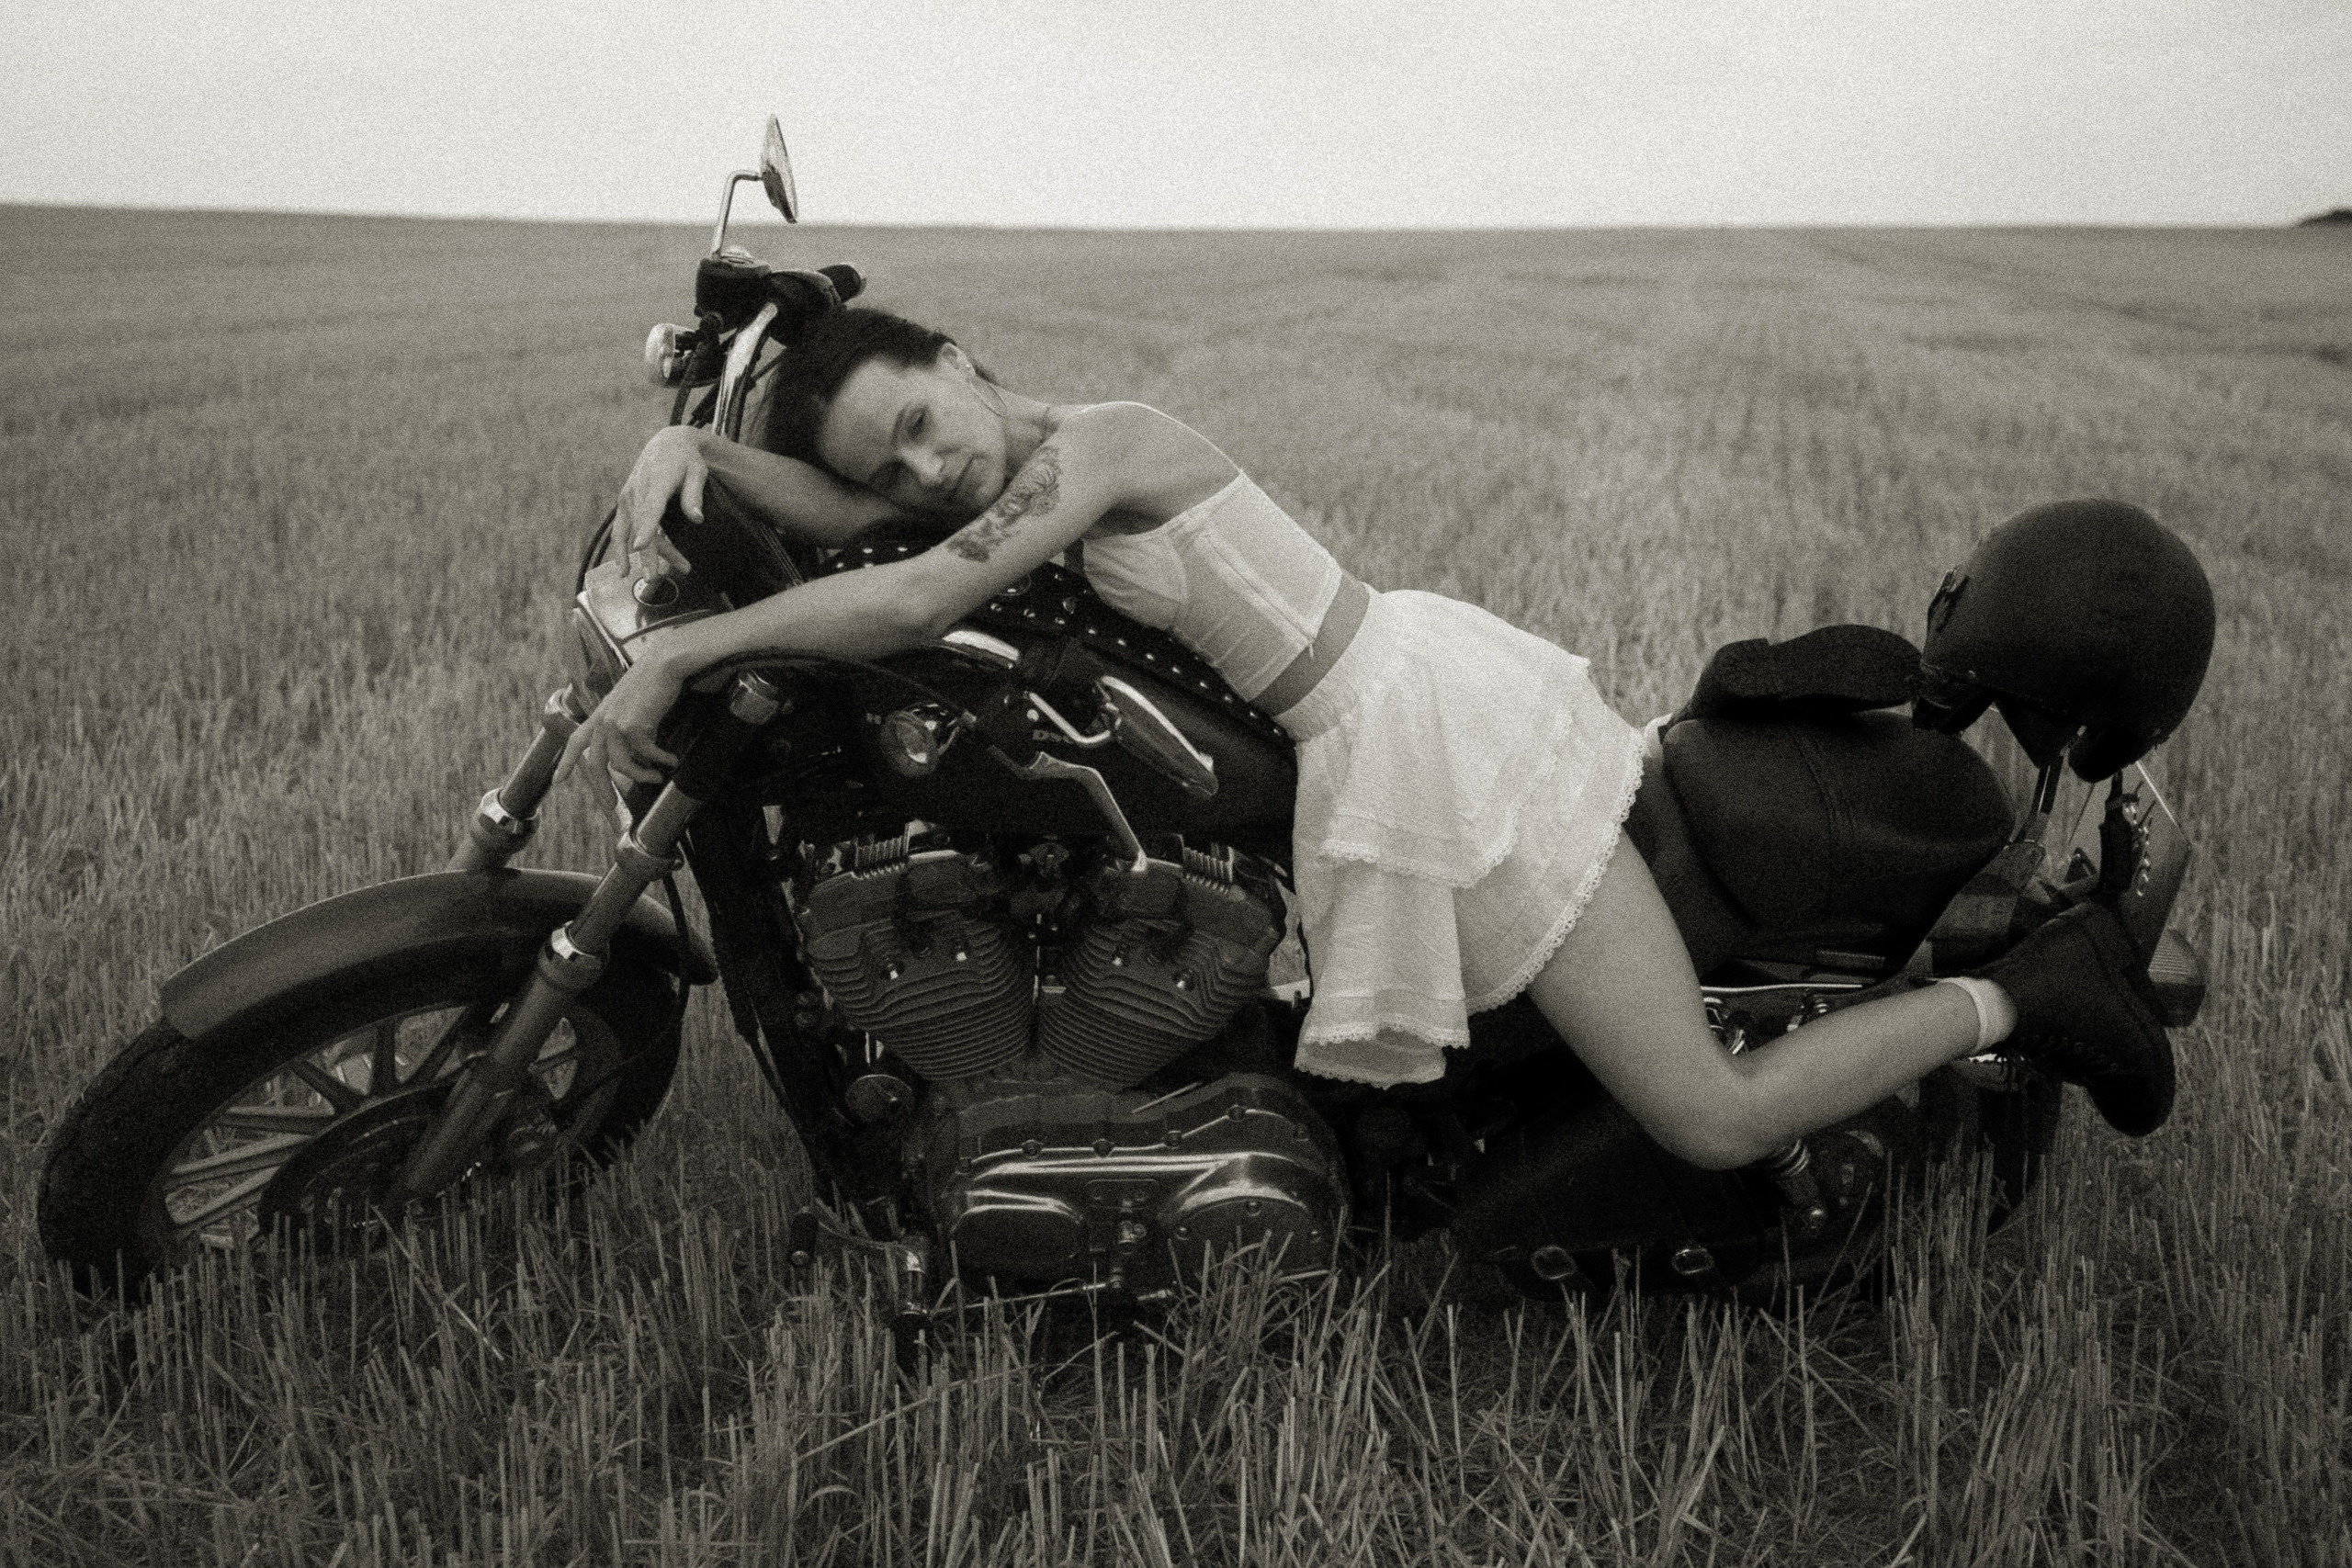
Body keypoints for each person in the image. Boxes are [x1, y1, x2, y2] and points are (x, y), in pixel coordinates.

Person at [559, 306, 2178, 1166]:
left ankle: (2027, 995)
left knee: (1711, 1116)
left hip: (1422, 737)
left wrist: (688, 645)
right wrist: (685, 447)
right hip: (1387, 713)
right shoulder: (1017, 464)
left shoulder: (1106, 446)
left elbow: (910, 596)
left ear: (969, 364)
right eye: (893, 464)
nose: (919, 472)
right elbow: (856, 510)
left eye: (922, 421)